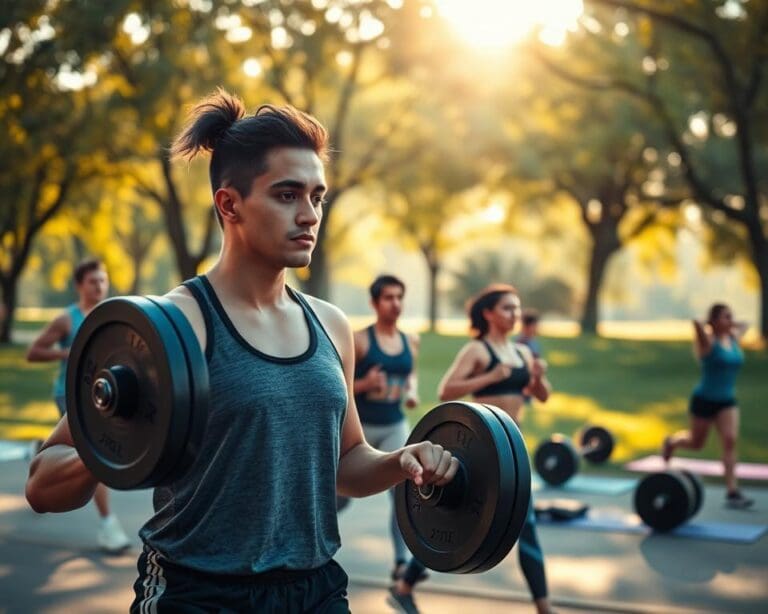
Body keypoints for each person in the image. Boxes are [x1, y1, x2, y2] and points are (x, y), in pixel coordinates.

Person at [25, 90, 458, 613]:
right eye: (286, 195)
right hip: (199, 593)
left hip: (315, 589)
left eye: (317, 196)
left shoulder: (331, 325)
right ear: (229, 204)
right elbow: (43, 485)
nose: (309, 215)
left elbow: (343, 464)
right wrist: (113, 437)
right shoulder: (178, 323)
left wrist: (399, 461)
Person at [432, 283, 555, 614]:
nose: (514, 314)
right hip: (485, 449)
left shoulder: (523, 353)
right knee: (467, 522)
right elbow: (446, 390)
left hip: (515, 446)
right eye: (507, 308)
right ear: (488, 313)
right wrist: (489, 377)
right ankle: (407, 580)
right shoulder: (478, 351)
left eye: (517, 308)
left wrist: (539, 378)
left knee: (525, 523)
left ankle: (544, 606)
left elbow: (541, 396)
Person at [25, 258, 130, 554]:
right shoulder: (67, 319)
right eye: (93, 281)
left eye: (103, 280)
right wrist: (67, 353)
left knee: (91, 451)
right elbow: (34, 352)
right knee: (95, 454)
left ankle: (44, 453)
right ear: (79, 286)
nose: (99, 286)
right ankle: (109, 525)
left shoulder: (113, 315)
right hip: (70, 396)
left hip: (105, 397)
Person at [342, 274, 428, 612]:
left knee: (404, 489)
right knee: (338, 498)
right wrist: (366, 383)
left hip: (393, 425)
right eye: (389, 297)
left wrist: (411, 392)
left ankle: (400, 565)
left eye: (399, 297)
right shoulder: (359, 340)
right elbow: (338, 386)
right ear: (375, 303)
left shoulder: (412, 341)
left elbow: (411, 375)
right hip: (359, 429)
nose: (395, 303)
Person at [662, 303, 754, 509]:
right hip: (704, 400)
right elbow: (696, 323)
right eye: (725, 317)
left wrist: (728, 324)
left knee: (730, 441)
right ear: (713, 321)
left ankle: (732, 492)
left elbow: (746, 325)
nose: (730, 321)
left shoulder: (733, 339)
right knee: (696, 443)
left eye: (731, 316)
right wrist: (709, 324)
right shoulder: (708, 344)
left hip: (727, 401)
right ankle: (672, 442)